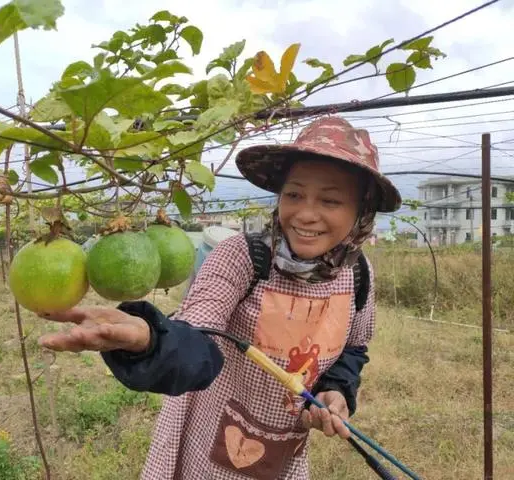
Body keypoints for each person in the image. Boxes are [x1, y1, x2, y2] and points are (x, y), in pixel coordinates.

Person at [37, 116, 402, 479]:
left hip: (284, 451)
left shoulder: (358, 274)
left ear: (361, 211)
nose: (306, 214)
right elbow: (198, 339)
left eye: (331, 201)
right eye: (294, 194)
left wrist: (335, 391)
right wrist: (150, 341)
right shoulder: (243, 257)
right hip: (209, 444)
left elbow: (353, 348)